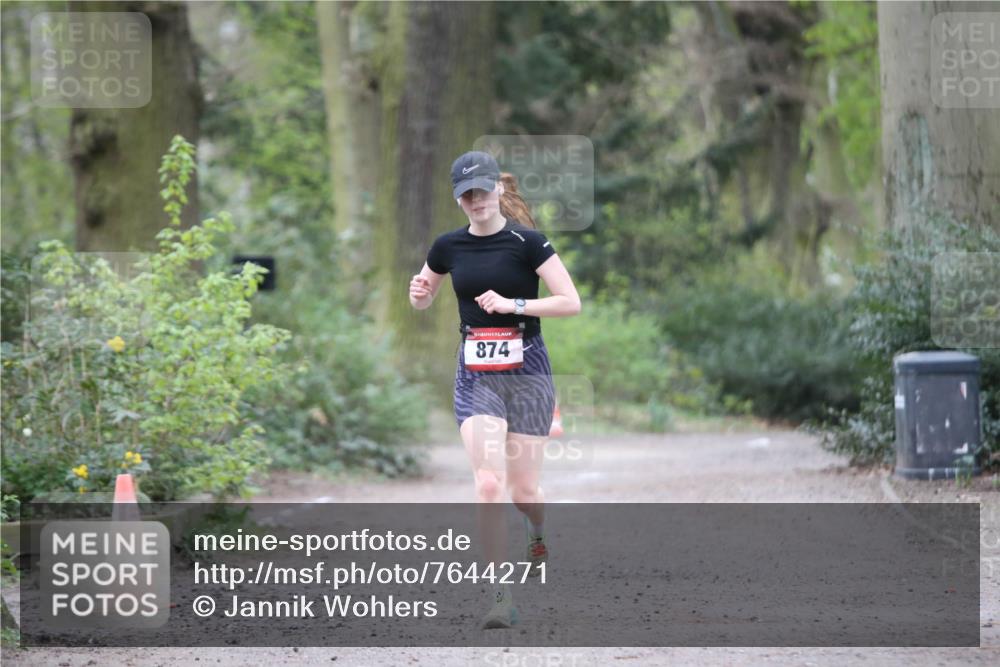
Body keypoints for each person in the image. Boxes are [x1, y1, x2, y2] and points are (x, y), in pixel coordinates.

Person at [408, 150, 581, 629]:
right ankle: (500, 596)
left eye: (482, 190)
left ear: (498, 190)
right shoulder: (447, 247)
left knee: (525, 492)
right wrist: (418, 296)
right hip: (476, 372)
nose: (476, 200)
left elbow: (571, 302)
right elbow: (423, 296)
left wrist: (514, 303)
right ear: (458, 199)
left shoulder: (529, 243)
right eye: (466, 194)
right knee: (487, 483)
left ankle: (537, 527)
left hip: (528, 369)